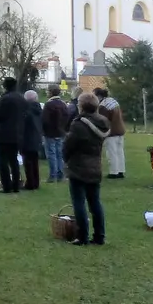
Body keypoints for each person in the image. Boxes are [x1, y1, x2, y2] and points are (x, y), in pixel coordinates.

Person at [62, 93, 110, 246]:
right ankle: (99, 236)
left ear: (81, 106)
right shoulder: (103, 123)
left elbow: (69, 145)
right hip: (95, 166)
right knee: (95, 203)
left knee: (79, 203)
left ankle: (82, 237)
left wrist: (66, 159)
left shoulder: (78, 124)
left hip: (78, 166)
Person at [0, 78, 27, 193]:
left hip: (4, 133)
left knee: (2, 160)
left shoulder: (5, 99)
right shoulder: (21, 99)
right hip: (18, 134)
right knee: (14, 160)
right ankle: (16, 185)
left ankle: (6, 185)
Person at [96, 87, 126, 178]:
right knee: (120, 152)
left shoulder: (103, 106)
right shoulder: (113, 101)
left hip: (111, 132)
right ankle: (121, 171)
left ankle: (114, 172)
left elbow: (103, 121)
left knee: (111, 153)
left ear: (99, 96)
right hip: (120, 130)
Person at [42, 90, 69, 183]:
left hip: (50, 133)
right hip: (60, 132)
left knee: (51, 154)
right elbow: (67, 117)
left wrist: (44, 130)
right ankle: (60, 175)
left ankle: (52, 176)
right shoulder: (63, 104)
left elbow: (45, 120)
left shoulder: (48, 105)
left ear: (50, 92)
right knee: (59, 154)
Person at [21, 89, 43, 191]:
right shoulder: (39, 109)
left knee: (28, 162)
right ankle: (36, 182)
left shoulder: (26, 111)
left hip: (27, 138)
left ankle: (30, 183)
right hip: (37, 137)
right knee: (35, 161)